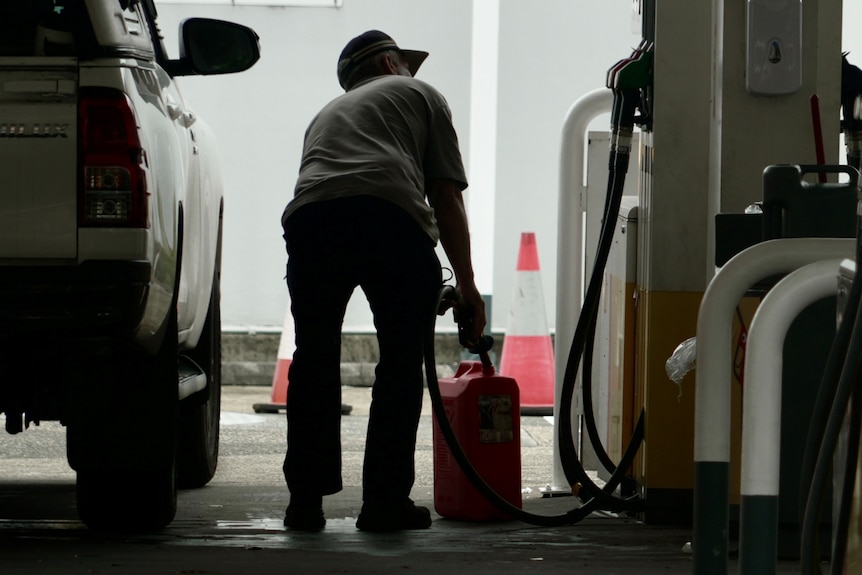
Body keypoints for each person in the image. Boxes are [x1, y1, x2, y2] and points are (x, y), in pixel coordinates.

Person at [280, 30, 486, 532]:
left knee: (314, 357)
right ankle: (383, 504)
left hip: (310, 221)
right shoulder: (419, 93)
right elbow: (444, 192)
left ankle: (304, 503)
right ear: (393, 63)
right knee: (399, 361)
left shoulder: (327, 113)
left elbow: (327, 182)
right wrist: (467, 284)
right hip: (389, 216)